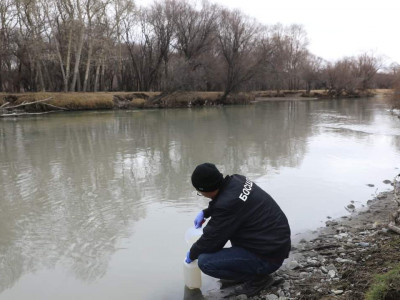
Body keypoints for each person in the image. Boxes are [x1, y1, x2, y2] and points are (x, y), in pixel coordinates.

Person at [185, 163, 291, 297]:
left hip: (269, 256)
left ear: (205, 190)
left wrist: (192, 253)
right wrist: (207, 212)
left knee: (206, 262)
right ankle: (245, 273)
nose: (201, 194)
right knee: (231, 229)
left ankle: (258, 279)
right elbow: (229, 201)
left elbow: (211, 241)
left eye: (199, 192)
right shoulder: (238, 180)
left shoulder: (227, 206)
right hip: (276, 243)